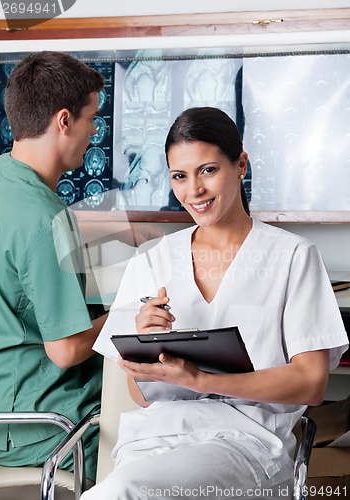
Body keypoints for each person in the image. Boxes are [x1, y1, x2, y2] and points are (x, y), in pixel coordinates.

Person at [84, 107, 348, 499]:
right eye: (179, 176)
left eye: (208, 170)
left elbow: (311, 383)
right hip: (154, 439)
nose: (194, 190)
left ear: (241, 164)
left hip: (247, 441)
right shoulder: (153, 259)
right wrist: (145, 347)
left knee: (119, 492)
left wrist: (200, 380)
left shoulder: (292, 256)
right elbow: (140, 395)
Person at [0, 51, 109, 482]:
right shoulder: (46, 218)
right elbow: (66, 351)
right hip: (34, 424)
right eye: (92, 118)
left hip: (7, 403)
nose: (95, 130)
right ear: (64, 121)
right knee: (151, 437)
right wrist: (121, 317)